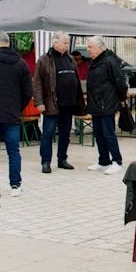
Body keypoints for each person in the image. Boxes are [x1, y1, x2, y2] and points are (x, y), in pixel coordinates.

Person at [33, 32, 85, 173]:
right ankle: (46, 161)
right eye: (64, 43)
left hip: (68, 104)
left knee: (65, 133)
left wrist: (78, 101)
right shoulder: (44, 60)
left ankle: (62, 159)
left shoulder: (70, 59)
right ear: (55, 43)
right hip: (52, 104)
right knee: (48, 134)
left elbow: (77, 81)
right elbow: (37, 83)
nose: (67, 45)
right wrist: (39, 102)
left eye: (67, 43)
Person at [85, 35, 127, 175]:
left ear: (99, 47)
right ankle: (103, 160)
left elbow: (120, 82)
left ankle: (117, 161)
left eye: (90, 47)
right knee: (98, 134)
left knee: (108, 133)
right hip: (95, 104)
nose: (88, 50)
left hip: (107, 103)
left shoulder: (109, 61)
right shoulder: (95, 62)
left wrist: (121, 98)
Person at [0, 31, 32, 197]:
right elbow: (28, 92)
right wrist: (17, 106)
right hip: (12, 114)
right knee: (13, 151)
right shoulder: (20, 63)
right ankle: (15, 185)